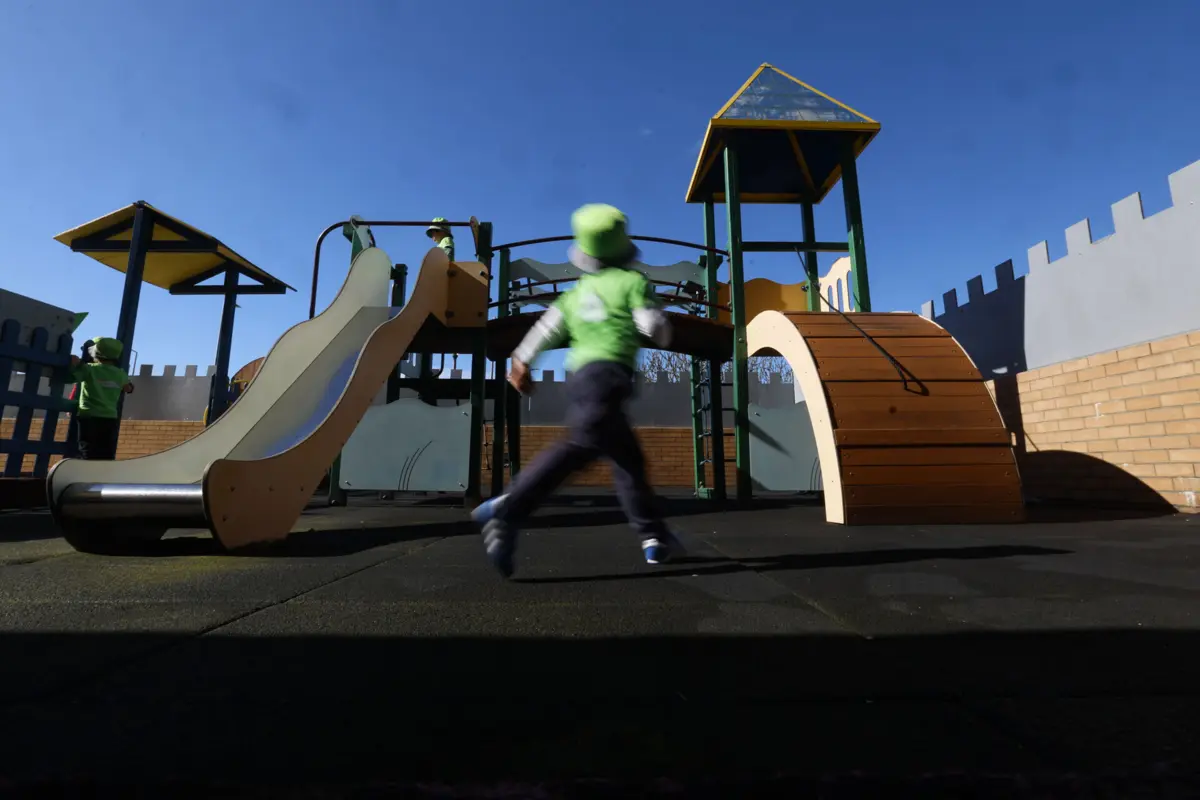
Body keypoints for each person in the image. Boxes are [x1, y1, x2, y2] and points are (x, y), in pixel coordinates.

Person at [470, 203, 682, 578]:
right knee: (583, 444)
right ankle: (509, 508)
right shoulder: (633, 283)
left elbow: (545, 329)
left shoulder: (575, 294)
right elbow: (652, 326)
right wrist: (663, 326)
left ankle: (654, 536)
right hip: (609, 375)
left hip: (580, 377)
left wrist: (521, 361)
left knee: (628, 461)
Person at [68, 337, 134, 460]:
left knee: (86, 447)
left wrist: (76, 363)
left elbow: (71, 378)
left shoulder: (89, 369)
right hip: (109, 417)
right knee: (106, 449)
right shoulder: (120, 373)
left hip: (88, 415)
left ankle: (87, 472)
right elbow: (128, 389)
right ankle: (104, 473)